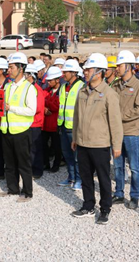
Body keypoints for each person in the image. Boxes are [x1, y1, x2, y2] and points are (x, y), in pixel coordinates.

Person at [71, 53, 123, 225]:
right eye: (85, 70)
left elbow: (115, 122)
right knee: (86, 177)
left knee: (103, 178)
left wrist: (117, 145)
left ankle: (105, 208)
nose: (85, 72)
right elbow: (77, 116)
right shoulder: (82, 91)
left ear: (99, 72)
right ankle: (88, 205)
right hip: (83, 143)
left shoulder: (109, 94)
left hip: (100, 144)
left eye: (88, 69)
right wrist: (75, 137)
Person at [0, 52, 37, 202]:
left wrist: (11, 108)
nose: (8, 70)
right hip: (7, 130)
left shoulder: (29, 88)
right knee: (9, 163)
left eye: (11, 67)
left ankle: (27, 192)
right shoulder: (8, 86)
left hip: (21, 132)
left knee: (23, 164)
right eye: (8, 67)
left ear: (21, 68)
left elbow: (31, 110)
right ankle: (13, 189)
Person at [110, 50, 139, 210]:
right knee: (118, 165)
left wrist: (119, 116)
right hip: (117, 133)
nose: (117, 68)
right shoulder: (115, 85)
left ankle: (134, 196)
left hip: (131, 132)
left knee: (134, 167)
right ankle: (119, 193)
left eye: (120, 65)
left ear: (129, 67)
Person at [57, 58, 84, 190]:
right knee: (67, 154)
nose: (63, 74)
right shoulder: (63, 87)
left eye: (66, 72)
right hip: (63, 125)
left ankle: (79, 179)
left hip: (74, 127)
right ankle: (71, 177)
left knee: (77, 156)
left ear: (74, 72)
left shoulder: (81, 86)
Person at [24, 63, 45, 179]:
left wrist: (24, 109)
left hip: (35, 123)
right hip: (27, 123)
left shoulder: (37, 89)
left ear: (31, 75)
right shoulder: (27, 88)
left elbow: (38, 108)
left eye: (26, 74)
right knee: (28, 149)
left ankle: (37, 171)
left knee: (35, 149)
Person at [43, 66, 62, 173]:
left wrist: (47, 103)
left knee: (56, 146)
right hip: (46, 124)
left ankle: (56, 164)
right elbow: (41, 101)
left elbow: (56, 106)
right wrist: (44, 108)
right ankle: (45, 163)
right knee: (44, 145)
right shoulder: (47, 90)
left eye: (51, 80)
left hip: (55, 124)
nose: (48, 82)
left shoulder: (62, 91)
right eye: (48, 80)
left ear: (57, 80)